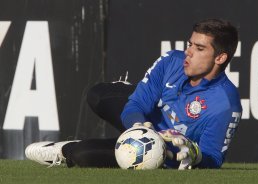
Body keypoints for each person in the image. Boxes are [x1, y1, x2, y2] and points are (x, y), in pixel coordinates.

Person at [25, 18, 242, 169]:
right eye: (189, 44)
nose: (189, 52)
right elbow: (136, 105)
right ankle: (130, 97)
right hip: (144, 125)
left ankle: (63, 151)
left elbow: (213, 157)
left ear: (220, 58)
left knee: (82, 154)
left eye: (200, 48)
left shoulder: (226, 103)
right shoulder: (172, 61)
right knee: (97, 94)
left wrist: (195, 155)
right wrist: (139, 126)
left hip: (162, 154)